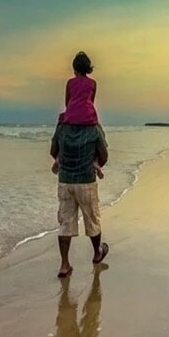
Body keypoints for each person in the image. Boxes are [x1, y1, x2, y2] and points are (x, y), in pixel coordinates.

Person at [50, 118, 109, 279]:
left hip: (65, 181)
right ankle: (97, 253)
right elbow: (104, 154)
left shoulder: (62, 126)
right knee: (92, 219)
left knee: (65, 222)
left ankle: (64, 265)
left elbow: (53, 150)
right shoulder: (94, 127)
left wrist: (63, 161)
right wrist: (96, 163)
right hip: (86, 181)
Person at [51, 52, 105, 179]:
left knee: (58, 131)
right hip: (88, 117)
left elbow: (67, 102)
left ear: (74, 68)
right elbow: (91, 101)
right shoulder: (93, 83)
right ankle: (96, 162)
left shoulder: (70, 82)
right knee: (100, 134)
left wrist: (72, 112)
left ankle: (58, 157)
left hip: (71, 116)